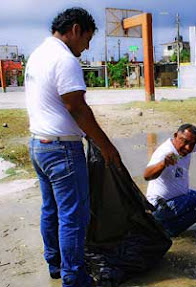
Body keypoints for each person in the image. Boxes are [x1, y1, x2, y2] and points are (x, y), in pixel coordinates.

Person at [25, 8, 121, 287]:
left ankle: (55, 264)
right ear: (76, 29)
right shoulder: (64, 59)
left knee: (51, 209)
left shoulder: (38, 54)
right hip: (61, 150)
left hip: (38, 146)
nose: (87, 47)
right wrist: (107, 146)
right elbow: (76, 108)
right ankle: (74, 278)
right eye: (87, 39)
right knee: (73, 216)